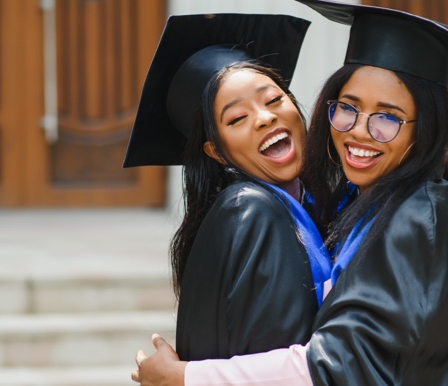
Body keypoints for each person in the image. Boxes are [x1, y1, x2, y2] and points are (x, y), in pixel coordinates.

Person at [132, 1, 448, 385]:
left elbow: (341, 363)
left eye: (388, 117)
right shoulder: (355, 204)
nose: (359, 130)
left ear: (426, 128)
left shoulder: (420, 215)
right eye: (347, 107)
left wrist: (186, 377)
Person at [123, 12, 333, 373]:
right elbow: (271, 366)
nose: (265, 118)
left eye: (273, 100)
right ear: (216, 152)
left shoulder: (303, 203)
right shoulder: (251, 212)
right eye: (236, 119)